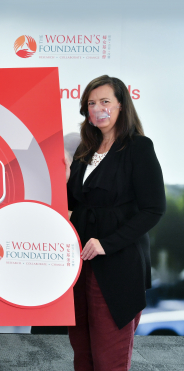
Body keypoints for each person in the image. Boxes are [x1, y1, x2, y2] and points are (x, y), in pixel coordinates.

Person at [67, 75, 165, 370]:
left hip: (117, 265)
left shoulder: (138, 148)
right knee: (81, 352)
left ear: (122, 106)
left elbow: (153, 208)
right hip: (78, 262)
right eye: (91, 103)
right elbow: (73, 202)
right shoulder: (85, 149)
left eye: (105, 102)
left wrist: (106, 244)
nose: (98, 108)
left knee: (110, 357)